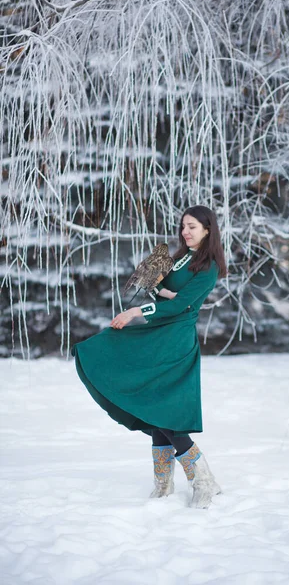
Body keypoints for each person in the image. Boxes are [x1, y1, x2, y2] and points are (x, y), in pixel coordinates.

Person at [72, 205, 227, 509]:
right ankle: (163, 484)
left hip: (175, 342)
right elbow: (166, 296)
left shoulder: (207, 267)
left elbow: (182, 306)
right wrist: (154, 284)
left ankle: (203, 480)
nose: (186, 231)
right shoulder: (179, 258)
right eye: (183, 225)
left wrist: (135, 311)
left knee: (166, 410)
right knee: (154, 407)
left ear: (208, 229)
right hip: (157, 335)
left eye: (193, 226)